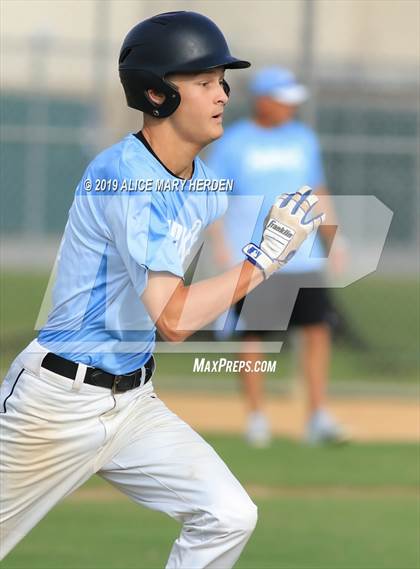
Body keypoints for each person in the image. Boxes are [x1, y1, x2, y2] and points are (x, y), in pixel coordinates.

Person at [0, 13, 325, 567]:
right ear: (155, 93)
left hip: (132, 404)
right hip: (56, 405)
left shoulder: (197, 182)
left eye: (222, 81)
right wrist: (263, 262)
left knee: (228, 515)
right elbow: (173, 320)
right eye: (203, 82)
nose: (222, 93)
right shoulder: (130, 178)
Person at [207, 66, 348, 447]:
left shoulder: (303, 138)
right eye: (283, 100)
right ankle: (257, 419)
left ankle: (317, 415)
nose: (290, 108)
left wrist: (334, 239)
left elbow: (317, 190)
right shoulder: (234, 142)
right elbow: (215, 197)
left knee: (317, 331)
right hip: (259, 257)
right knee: (255, 336)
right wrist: (219, 244)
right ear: (263, 101)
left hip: (304, 256)